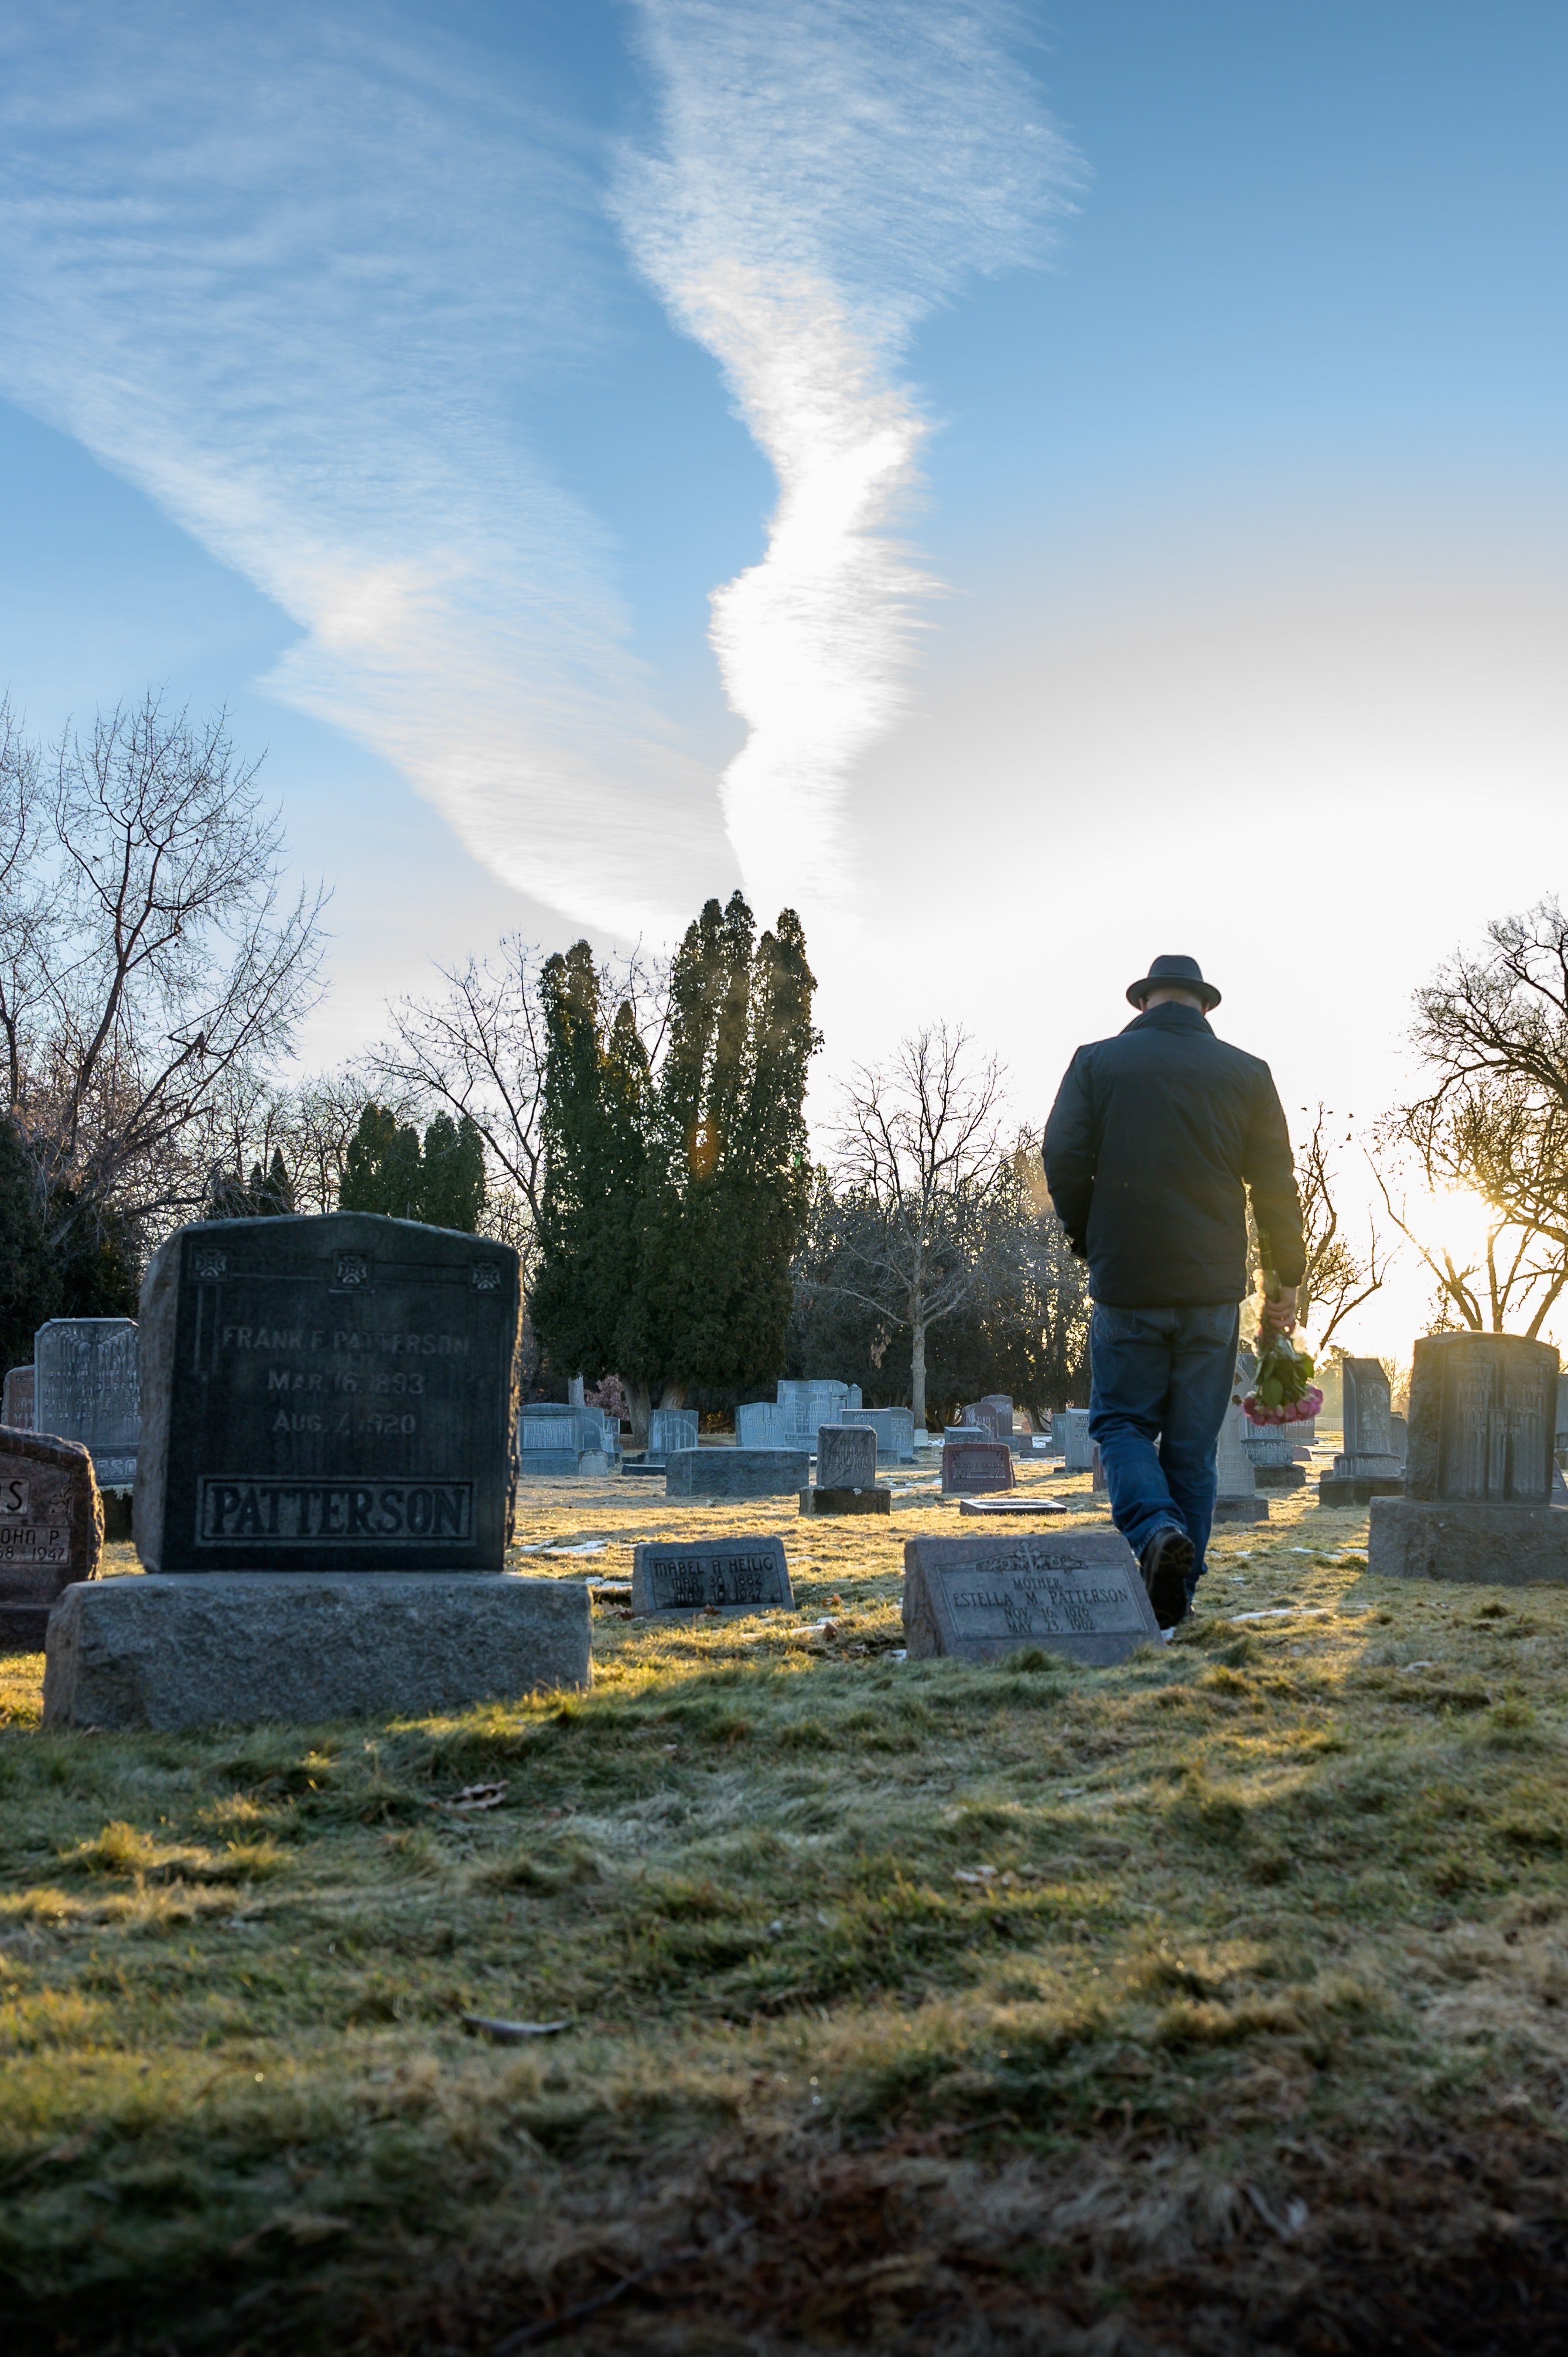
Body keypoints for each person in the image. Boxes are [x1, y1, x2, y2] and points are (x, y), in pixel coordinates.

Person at [1041, 953, 1305, 1630]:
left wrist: (1086, 1236)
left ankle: (1157, 1533)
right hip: (1212, 1287)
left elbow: (1063, 1157)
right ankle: (1176, 1601)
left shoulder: (1095, 1063)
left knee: (1121, 1424)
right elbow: (1275, 1183)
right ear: (1203, 1007)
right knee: (1191, 1448)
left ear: (1144, 1003)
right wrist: (1286, 1279)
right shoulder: (1246, 1074)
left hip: (1127, 1279)